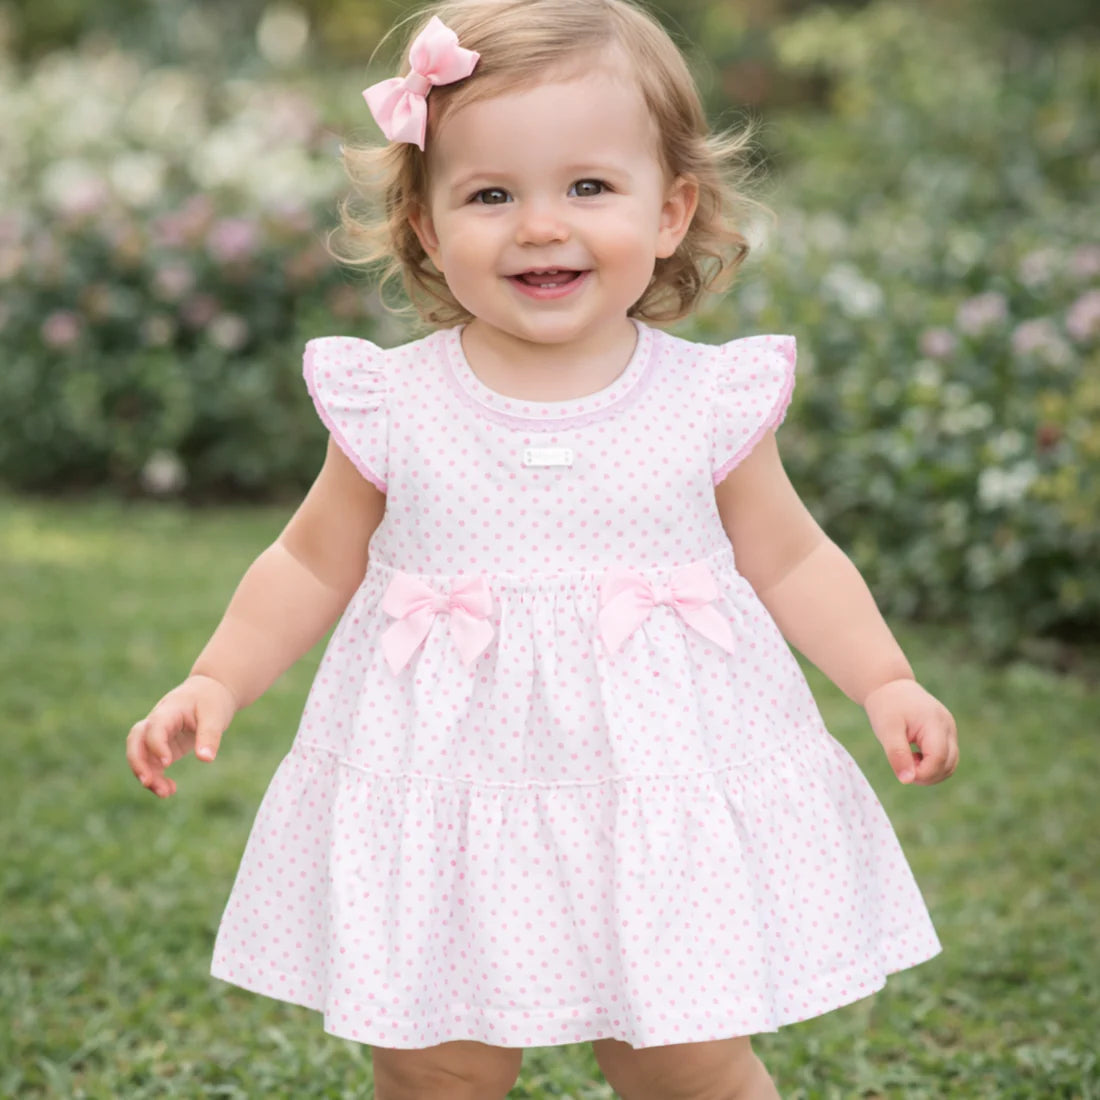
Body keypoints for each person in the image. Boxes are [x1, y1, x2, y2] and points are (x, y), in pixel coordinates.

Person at [126, 1, 958, 1096]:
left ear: (671, 211)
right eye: (490, 195)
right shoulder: (394, 405)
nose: (538, 225)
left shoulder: (705, 400)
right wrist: (215, 677)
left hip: (654, 788)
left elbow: (791, 558)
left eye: (588, 186)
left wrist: (883, 679)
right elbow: (310, 560)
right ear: (426, 228)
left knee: (686, 1057)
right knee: (435, 1062)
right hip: (453, 793)